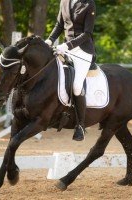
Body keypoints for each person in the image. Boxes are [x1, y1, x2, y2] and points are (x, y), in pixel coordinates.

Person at [45, 0, 96, 141]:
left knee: (76, 86)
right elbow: (59, 25)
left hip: (82, 50)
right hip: (65, 48)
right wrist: (49, 40)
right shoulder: (64, 1)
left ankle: (80, 125)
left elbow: (87, 33)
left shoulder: (89, 4)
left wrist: (68, 45)